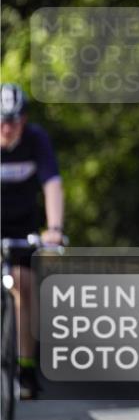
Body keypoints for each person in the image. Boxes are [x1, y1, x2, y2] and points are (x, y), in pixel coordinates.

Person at [0, 83, 64, 400]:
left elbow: (51, 184)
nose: (6, 128)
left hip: (23, 227)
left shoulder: (36, 140)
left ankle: (25, 368)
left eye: (13, 120)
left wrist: (55, 228)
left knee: (24, 284)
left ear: (23, 119)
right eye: (1, 121)